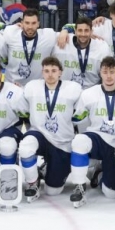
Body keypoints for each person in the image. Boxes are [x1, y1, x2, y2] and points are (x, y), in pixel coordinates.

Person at [68, 57, 115, 206]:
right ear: (100, 72)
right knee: (79, 141)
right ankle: (79, 187)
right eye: (105, 72)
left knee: (111, 193)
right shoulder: (89, 94)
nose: (108, 76)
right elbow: (78, 119)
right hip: (98, 138)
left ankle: (99, 174)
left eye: (112, 72)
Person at [18, 57, 84, 202]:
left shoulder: (73, 89)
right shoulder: (32, 87)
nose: (50, 74)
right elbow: (22, 108)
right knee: (25, 147)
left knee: (52, 191)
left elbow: (80, 114)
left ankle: (46, 169)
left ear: (60, 72)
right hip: (39, 134)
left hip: (62, 142)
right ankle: (32, 182)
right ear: (42, 72)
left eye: (54, 71)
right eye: (46, 71)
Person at [53, 17, 112, 90]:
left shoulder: (101, 47)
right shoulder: (62, 40)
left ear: (91, 31)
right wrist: (65, 30)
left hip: (90, 94)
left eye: (86, 30)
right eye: (80, 30)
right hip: (65, 92)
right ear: (75, 31)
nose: (83, 34)